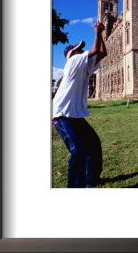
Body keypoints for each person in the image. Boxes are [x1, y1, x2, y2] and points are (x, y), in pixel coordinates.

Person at [52, 22, 107, 188]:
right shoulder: (73, 62)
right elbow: (95, 50)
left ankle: (92, 180)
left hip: (74, 116)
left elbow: (102, 52)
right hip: (61, 115)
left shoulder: (83, 68)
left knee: (93, 143)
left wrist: (102, 34)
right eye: (78, 49)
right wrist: (97, 31)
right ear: (72, 55)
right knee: (78, 149)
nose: (81, 50)